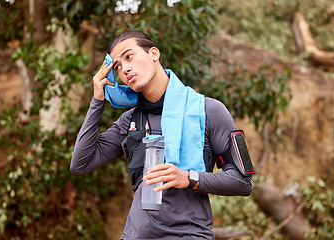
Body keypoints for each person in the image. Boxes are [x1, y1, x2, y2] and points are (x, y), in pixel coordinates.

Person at [70, 30, 253, 239]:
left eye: (129, 57)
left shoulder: (208, 111)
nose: (125, 69)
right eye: (118, 66)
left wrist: (189, 178)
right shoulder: (129, 121)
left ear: (154, 54)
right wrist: (97, 101)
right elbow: (80, 164)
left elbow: (243, 182)